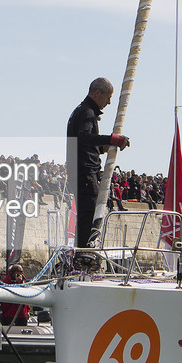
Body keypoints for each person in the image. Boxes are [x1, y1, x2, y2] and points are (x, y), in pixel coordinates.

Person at [66, 78, 129, 251]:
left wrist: (102, 147)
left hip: (79, 170)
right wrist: (111, 138)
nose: (109, 102)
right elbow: (84, 137)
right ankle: (84, 254)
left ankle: (83, 252)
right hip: (84, 172)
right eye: (108, 98)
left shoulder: (80, 111)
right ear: (97, 93)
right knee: (88, 215)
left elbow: (83, 143)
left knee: (86, 214)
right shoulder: (87, 112)